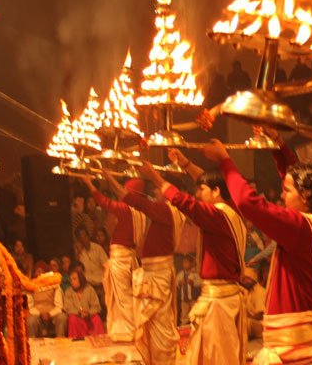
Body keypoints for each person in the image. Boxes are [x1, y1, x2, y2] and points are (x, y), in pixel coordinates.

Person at [201, 136, 312, 365]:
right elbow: (294, 176)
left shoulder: (299, 226)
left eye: (287, 190)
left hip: (291, 348)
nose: (282, 195)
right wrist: (278, 145)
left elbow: (247, 202)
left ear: (306, 196)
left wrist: (225, 160)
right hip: (301, 337)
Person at [138, 150, 250, 365]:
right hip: (225, 297)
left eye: (202, 189)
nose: (198, 193)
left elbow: (184, 202)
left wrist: (153, 175)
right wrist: (187, 164)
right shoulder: (230, 209)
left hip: (219, 303)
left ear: (216, 192)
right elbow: (207, 181)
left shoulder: (216, 215)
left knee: (218, 357)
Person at [94, 169, 184, 365]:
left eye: (159, 189)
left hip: (154, 274)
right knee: (154, 322)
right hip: (154, 271)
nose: (156, 193)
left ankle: (162, 359)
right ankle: (154, 357)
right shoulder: (167, 212)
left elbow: (133, 202)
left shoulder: (165, 210)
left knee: (159, 323)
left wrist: (108, 179)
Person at [82, 176, 143, 341]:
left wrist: (89, 183)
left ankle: (128, 332)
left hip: (121, 260)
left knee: (123, 298)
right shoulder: (142, 211)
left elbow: (104, 202)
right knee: (126, 296)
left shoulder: (127, 209)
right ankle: (127, 331)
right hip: (129, 259)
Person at [63, 268, 105, 338]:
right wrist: (79, 312)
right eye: (71, 279)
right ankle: (75, 341)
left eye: (74, 279)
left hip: (89, 316)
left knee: (96, 318)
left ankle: (99, 340)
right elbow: (68, 308)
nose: (72, 282)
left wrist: (88, 313)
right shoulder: (68, 292)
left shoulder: (90, 289)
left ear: (81, 279)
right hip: (77, 317)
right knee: (72, 318)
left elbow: (96, 306)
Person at [27, 266, 66, 337]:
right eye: (37, 271)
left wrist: (49, 314)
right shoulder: (31, 287)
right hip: (37, 314)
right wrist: (40, 314)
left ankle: (61, 340)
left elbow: (59, 306)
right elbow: (30, 307)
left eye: (40, 272)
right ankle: (32, 344)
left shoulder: (55, 286)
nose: (38, 274)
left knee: (62, 317)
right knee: (30, 320)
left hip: (53, 314)